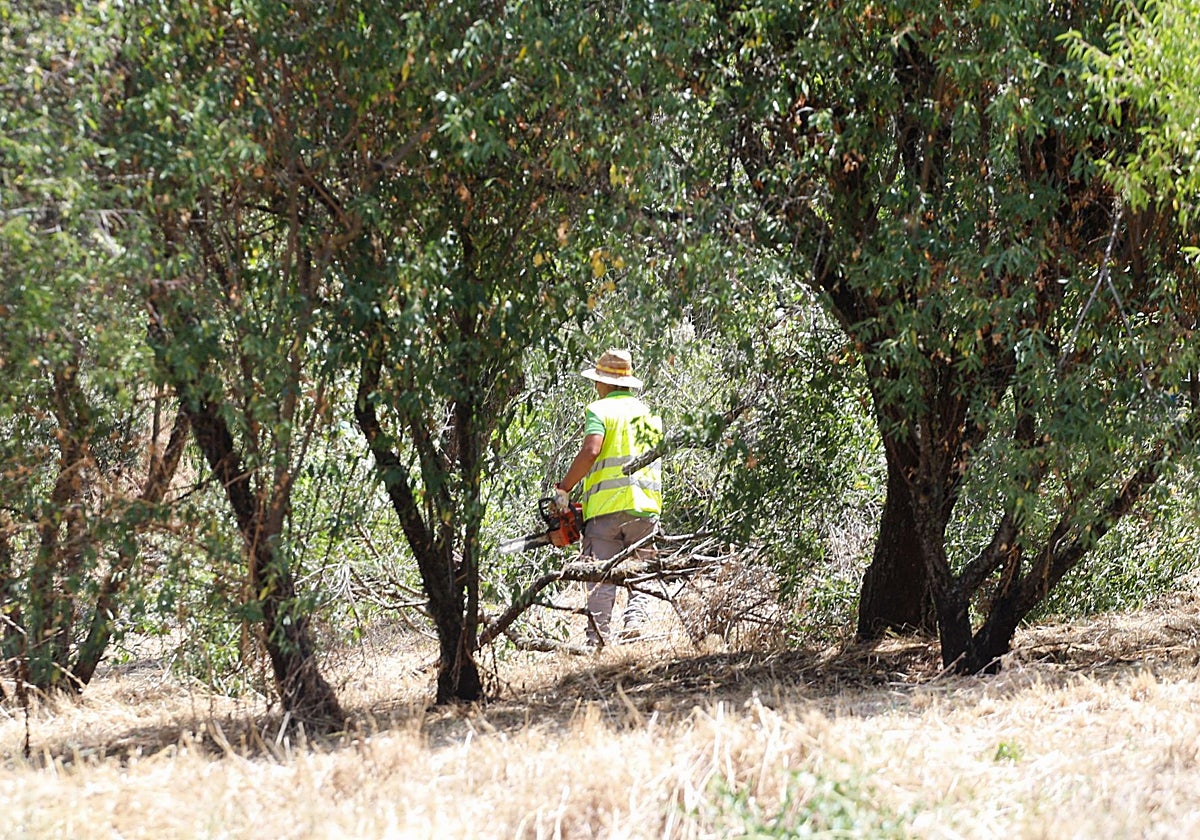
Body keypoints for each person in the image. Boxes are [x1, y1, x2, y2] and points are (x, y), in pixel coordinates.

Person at [553, 349, 663, 646]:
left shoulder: (599, 411)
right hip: (644, 506)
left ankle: (597, 640)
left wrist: (563, 488)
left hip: (605, 510)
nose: (595, 386)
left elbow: (591, 451)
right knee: (641, 570)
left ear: (607, 383)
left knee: (599, 575)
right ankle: (635, 619)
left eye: (598, 381)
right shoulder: (650, 415)